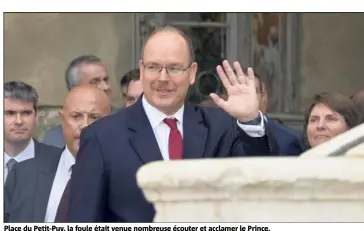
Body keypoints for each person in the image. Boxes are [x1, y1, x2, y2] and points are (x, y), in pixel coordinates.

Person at [68, 26, 301, 222]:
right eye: (153, 67)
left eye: (174, 68)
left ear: (192, 73)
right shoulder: (102, 137)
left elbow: (257, 183)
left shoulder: (220, 127)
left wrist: (250, 120)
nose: (162, 78)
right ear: (141, 69)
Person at [4, 85, 111, 222]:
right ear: (62, 119)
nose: (85, 126)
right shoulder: (22, 174)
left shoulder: (124, 180)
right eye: (76, 116)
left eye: (95, 117)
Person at [43, 55, 117, 148]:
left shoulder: (127, 125)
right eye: (95, 82)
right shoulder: (55, 140)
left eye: (106, 80)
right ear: (74, 89)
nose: (106, 87)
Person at [4, 81, 61, 183]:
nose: (19, 121)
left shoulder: (58, 161)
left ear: (36, 116)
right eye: (10, 113)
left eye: (26, 113)